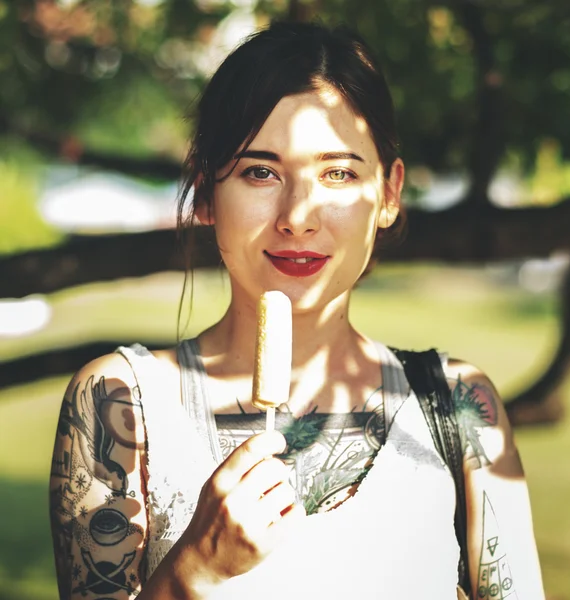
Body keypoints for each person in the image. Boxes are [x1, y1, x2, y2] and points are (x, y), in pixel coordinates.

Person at [49, 20, 545, 600]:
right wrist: (195, 570)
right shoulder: (118, 403)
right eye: (261, 171)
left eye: (338, 173)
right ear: (206, 193)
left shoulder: (463, 407)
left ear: (388, 194)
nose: (298, 216)